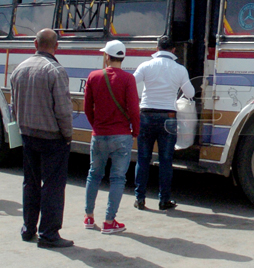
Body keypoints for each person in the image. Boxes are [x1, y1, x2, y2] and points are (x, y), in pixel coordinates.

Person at [11, 28, 74, 248]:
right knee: (53, 186)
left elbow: (14, 107)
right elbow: (63, 111)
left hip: (27, 134)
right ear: (56, 46)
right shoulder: (55, 71)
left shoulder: (19, 68)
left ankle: (28, 229)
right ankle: (48, 233)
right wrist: (68, 135)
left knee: (30, 183)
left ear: (35, 44)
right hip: (52, 138)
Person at [83, 40, 140, 234]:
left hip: (99, 135)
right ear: (122, 57)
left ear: (107, 56)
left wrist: (96, 126)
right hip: (121, 136)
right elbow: (134, 109)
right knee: (117, 178)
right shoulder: (128, 79)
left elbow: (87, 108)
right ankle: (109, 221)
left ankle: (89, 217)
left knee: (94, 174)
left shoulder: (94, 76)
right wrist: (135, 131)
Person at [133, 36, 194, 211]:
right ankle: (164, 200)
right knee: (166, 160)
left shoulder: (145, 66)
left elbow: (131, 82)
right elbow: (189, 93)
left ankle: (140, 199)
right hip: (168, 117)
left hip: (146, 115)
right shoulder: (180, 69)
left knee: (143, 158)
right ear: (173, 50)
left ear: (157, 48)